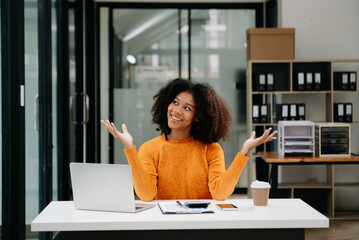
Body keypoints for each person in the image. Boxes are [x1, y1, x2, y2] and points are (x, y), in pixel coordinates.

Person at [101, 78, 277, 201]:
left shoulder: (211, 149)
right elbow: (146, 195)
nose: (177, 111)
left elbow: (220, 193)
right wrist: (130, 148)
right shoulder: (150, 149)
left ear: (198, 117)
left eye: (187, 107)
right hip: (164, 224)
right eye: (175, 102)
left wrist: (244, 152)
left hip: (201, 225)